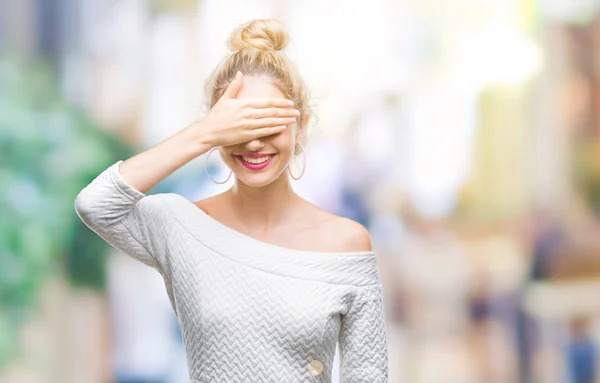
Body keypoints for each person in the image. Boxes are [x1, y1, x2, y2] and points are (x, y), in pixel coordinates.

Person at [74, 19, 388, 382]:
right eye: (239, 125)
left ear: (300, 128)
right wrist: (204, 132)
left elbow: (368, 376)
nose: (254, 143)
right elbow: (95, 204)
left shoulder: (345, 243)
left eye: (268, 123)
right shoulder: (181, 225)